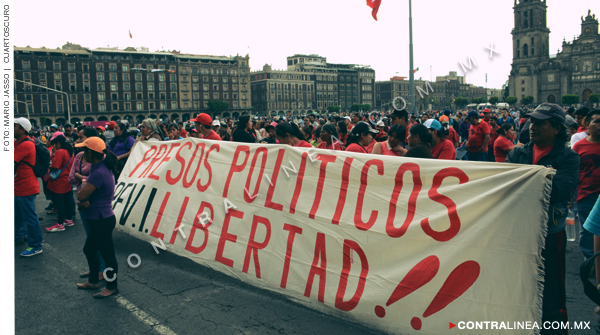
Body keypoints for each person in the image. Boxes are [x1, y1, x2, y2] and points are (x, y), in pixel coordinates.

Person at [506, 103, 579, 331]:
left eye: (540, 122)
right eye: (532, 121)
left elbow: (559, 190)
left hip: (549, 235)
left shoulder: (569, 158)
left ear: (557, 128)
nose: (532, 126)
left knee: (551, 293)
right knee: (515, 287)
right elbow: (505, 186)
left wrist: (524, 181)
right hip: (516, 234)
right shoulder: (518, 153)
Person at [75, 137, 119, 298]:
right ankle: (93, 280)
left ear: (89, 152)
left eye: (83, 150)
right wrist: (85, 199)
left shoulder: (99, 172)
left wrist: (83, 199)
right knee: (89, 249)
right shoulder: (99, 168)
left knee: (108, 255)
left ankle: (112, 286)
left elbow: (81, 194)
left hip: (101, 218)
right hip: (100, 217)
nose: (81, 153)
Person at [69, 127, 106, 280]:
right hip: (82, 202)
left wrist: (81, 178)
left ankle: (103, 270)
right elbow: (70, 178)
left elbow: (95, 179)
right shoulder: (78, 156)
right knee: (89, 236)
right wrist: (84, 177)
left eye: (81, 138)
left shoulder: (101, 161)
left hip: (94, 203)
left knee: (97, 238)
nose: (78, 140)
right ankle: (94, 267)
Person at [572, 109, 600, 261]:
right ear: (588, 125)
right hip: (586, 195)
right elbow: (574, 173)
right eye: (597, 121)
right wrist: (571, 196)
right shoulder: (579, 146)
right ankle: (590, 259)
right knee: (588, 229)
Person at [14, 118, 44, 256]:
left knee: (30, 217)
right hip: (19, 186)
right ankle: (19, 237)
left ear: (22, 129)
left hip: (25, 187)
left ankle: (36, 245)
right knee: (18, 216)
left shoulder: (25, 145)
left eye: (14, 126)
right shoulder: (18, 142)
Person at [46, 134, 75, 233]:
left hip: (59, 181)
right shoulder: (69, 151)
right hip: (67, 179)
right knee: (67, 201)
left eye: (54, 144)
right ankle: (68, 219)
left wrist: (47, 166)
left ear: (58, 143)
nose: (54, 146)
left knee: (59, 203)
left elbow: (55, 166)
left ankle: (60, 223)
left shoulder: (60, 152)